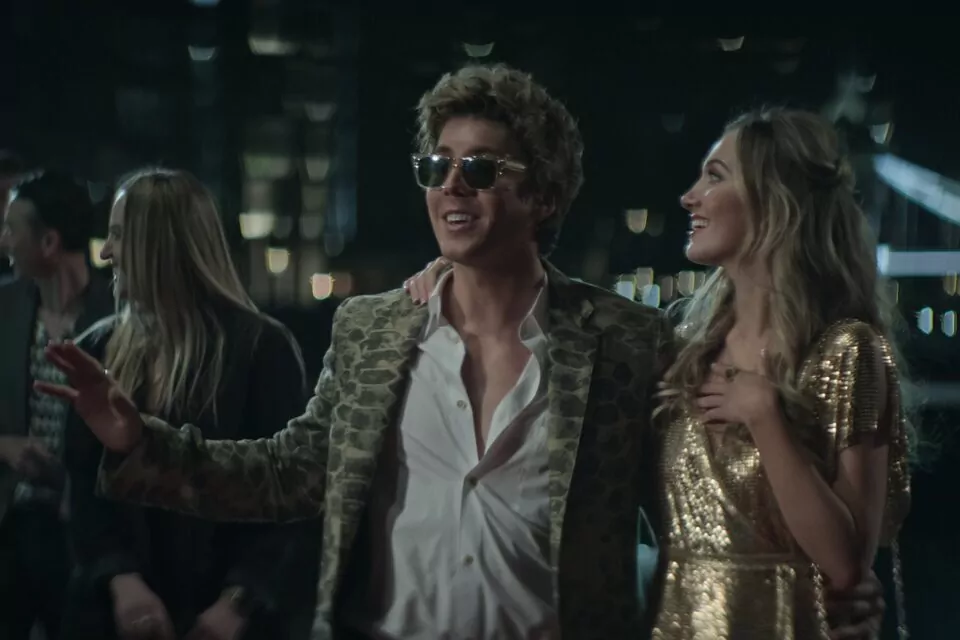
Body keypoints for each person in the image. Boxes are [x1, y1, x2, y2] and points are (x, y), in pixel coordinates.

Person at [38, 67, 886, 639]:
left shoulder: (627, 342)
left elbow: (703, 506)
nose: (449, 184)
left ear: (541, 193)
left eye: (479, 169)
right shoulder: (373, 330)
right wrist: (137, 440)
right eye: (435, 165)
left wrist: (834, 595)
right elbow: (288, 472)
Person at [60, 168, 321, 640]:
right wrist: (122, 582)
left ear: (159, 244)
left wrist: (238, 603)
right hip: (115, 622)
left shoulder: (261, 350)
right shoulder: (96, 350)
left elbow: (290, 496)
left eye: (118, 235)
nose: (105, 252)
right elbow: (83, 493)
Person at [0, 169, 113, 640]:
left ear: (48, 242)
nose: (4, 241)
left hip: (85, 533)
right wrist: (4, 446)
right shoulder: (5, 309)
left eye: (12, 229)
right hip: (10, 521)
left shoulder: (118, 317)